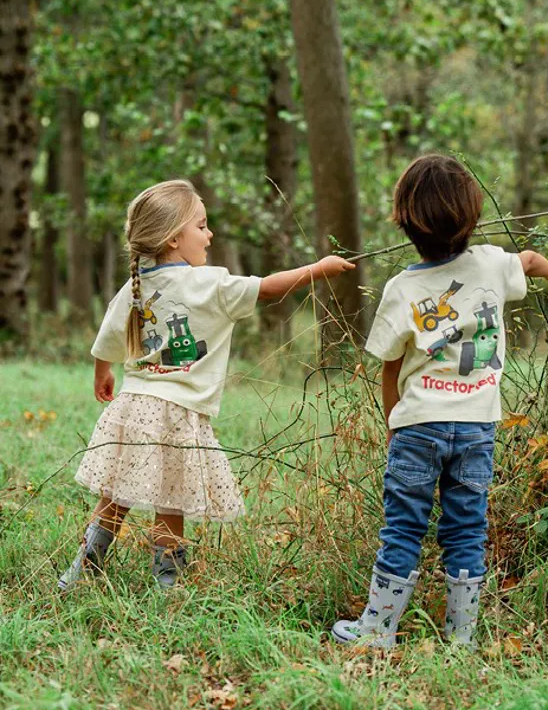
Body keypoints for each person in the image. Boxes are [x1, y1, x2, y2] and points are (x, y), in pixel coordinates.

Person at [59, 179, 355, 591]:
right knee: (171, 498)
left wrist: (102, 375)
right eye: (202, 226)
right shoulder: (209, 284)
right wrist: (318, 270)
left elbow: (106, 342)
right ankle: (168, 582)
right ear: (175, 238)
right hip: (176, 412)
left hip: (133, 407)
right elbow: (267, 288)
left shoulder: (136, 286)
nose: (209, 234)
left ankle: (82, 569)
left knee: (113, 496)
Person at [332, 155, 548, 648]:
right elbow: (528, 259)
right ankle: (462, 635)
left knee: (402, 527)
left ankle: (377, 629)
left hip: (418, 425)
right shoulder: (490, 263)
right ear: (471, 219)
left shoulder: (402, 289)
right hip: (477, 426)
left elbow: (390, 367)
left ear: (404, 221)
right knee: (467, 527)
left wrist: (393, 422)